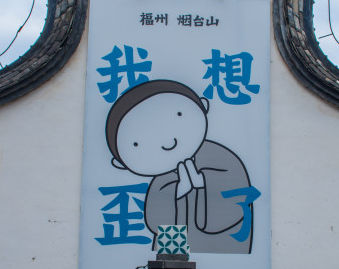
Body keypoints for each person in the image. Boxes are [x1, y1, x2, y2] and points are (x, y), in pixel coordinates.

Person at [105, 79, 253, 254]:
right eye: (136, 144)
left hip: (225, 241)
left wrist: (204, 183)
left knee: (226, 260)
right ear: (121, 164)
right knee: (171, 267)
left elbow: (239, 193)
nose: (166, 141)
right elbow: (156, 221)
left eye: (178, 115)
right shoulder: (161, 179)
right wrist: (177, 193)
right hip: (176, 251)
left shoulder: (220, 156)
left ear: (203, 106)